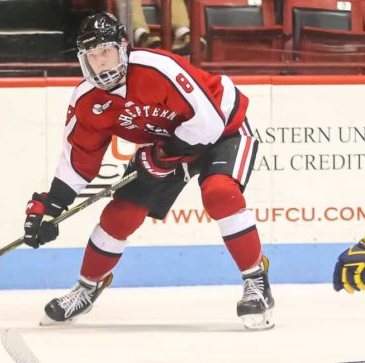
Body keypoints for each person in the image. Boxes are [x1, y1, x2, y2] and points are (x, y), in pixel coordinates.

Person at [22, 12, 274, 330]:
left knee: (220, 193)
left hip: (224, 128)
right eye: (92, 56)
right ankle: (86, 288)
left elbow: (206, 125)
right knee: (121, 213)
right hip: (168, 144)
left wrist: (160, 157)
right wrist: (52, 206)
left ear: (123, 47)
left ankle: (256, 281)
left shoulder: (159, 68)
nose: (101, 63)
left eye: (106, 52)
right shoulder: (88, 101)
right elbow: (79, 160)